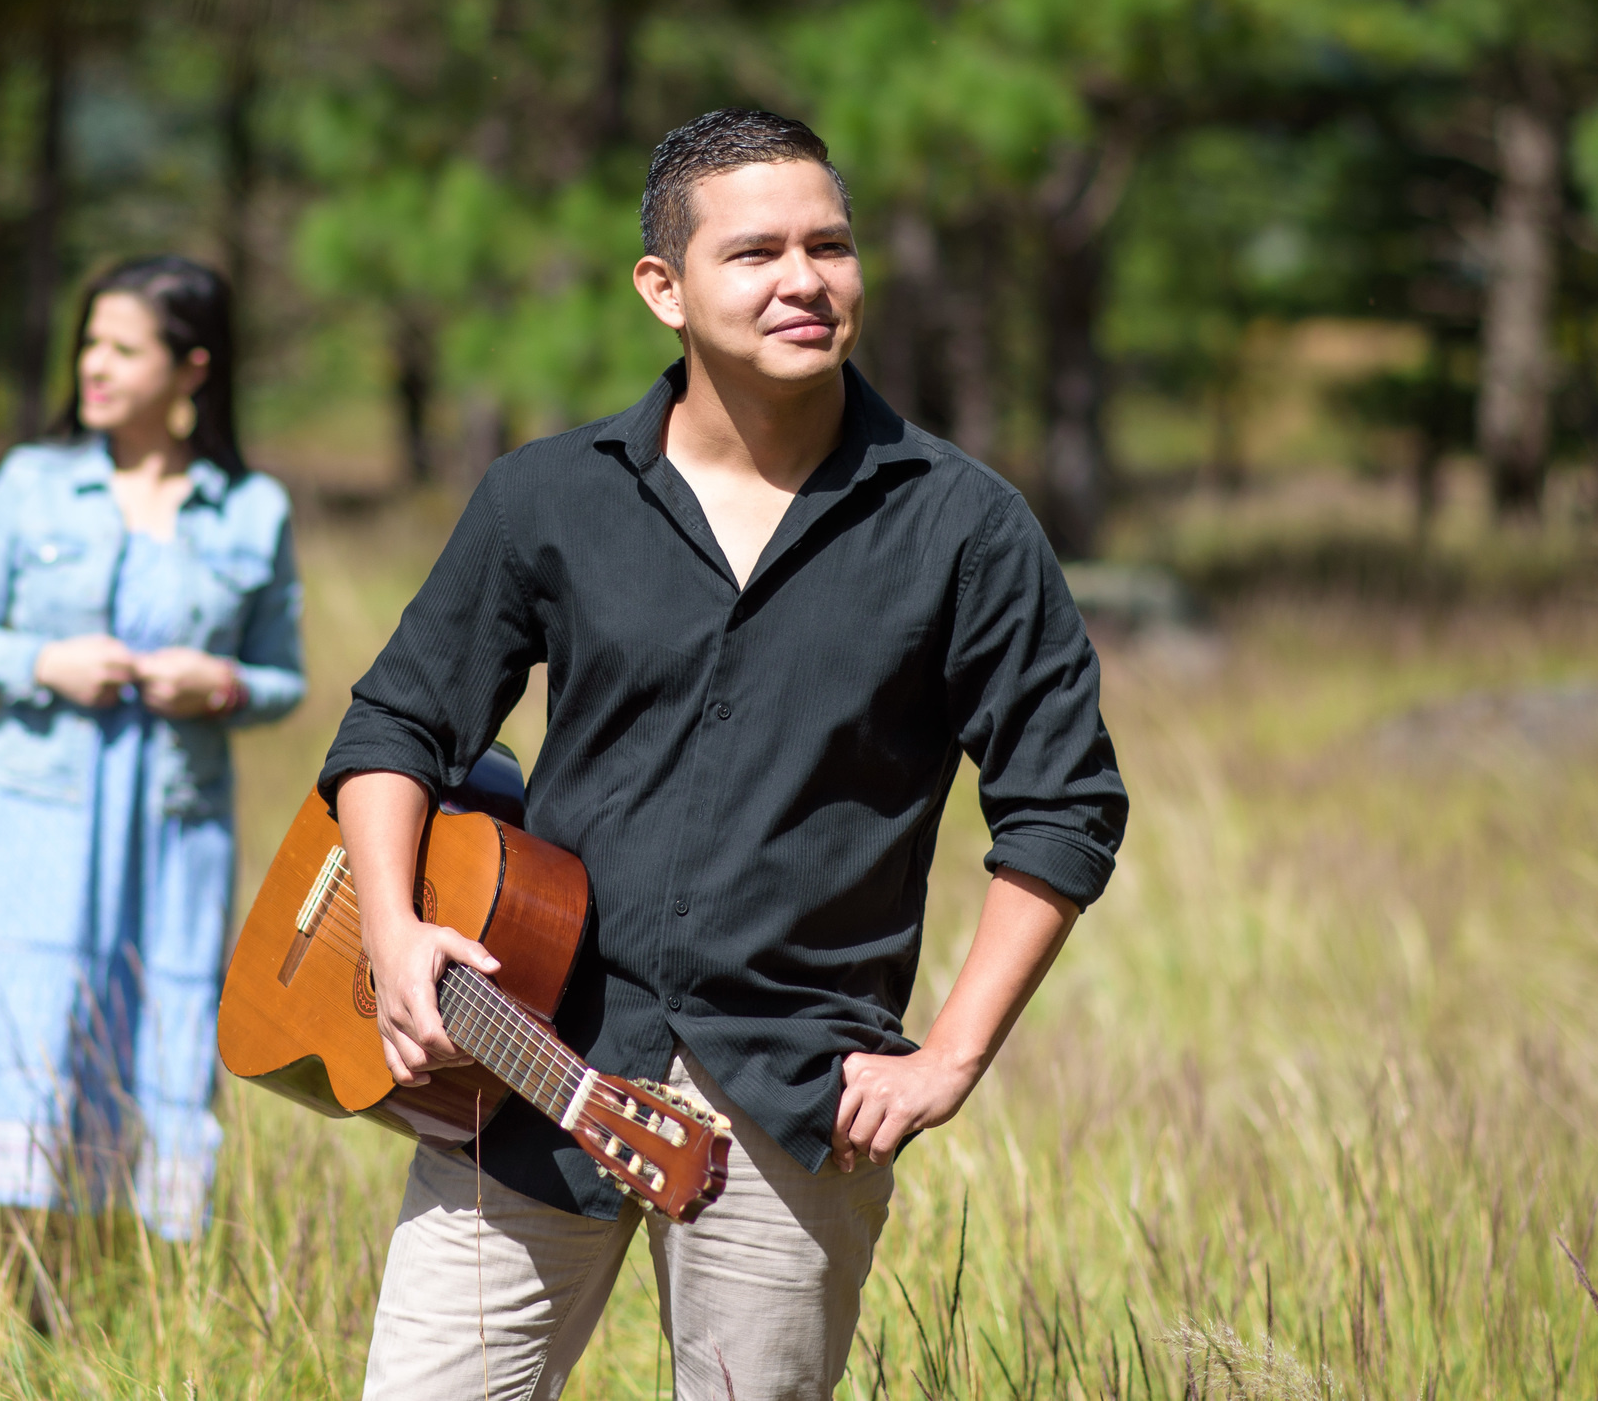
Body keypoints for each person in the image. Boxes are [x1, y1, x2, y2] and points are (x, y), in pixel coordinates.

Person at [323, 110, 1129, 1399]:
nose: (803, 280)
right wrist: (388, 922)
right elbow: (395, 726)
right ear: (665, 287)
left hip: (794, 1096)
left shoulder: (964, 525)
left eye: (831, 245)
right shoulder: (548, 495)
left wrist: (953, 1054)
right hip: (538, 1057)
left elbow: (1063, 805)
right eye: (755, 251)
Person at [0, 255, 303, 1352]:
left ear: (191, 366)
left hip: (172, 834)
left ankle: (77, 1333)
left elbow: (281, 675)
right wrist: (45, 662)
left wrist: (216, 684)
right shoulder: (33, 481)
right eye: (88, 343)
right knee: (20, 1043)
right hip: (36, 826)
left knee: (148, 1051)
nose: (92, 364)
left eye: (121, 347)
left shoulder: (252, 508)